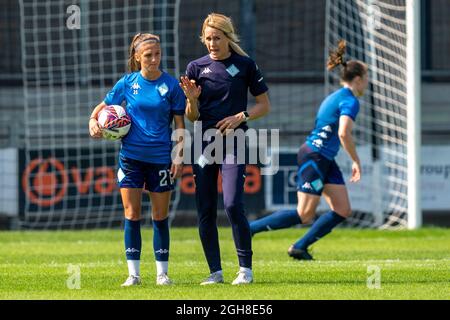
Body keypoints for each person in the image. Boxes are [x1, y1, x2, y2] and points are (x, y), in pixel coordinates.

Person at [250, 40, 368, 260]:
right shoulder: (350, 101)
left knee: (342, 209)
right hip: (316, 156)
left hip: (323, 157)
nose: (367, 85)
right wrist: (356, 161)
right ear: (358, 79)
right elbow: (343, 133)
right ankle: (250, 229)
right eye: (366, 79)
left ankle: (300, 247)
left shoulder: (333, 97)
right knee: (304, 214)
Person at [180, 13, 270, 285]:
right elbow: (192, 117)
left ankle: (246, 270)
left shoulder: (245, 65)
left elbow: (264, 105)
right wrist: (192, 101)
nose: (212, 43)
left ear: (228, 38)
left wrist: (240, 117)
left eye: (217, 38)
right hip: (205, 144)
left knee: (232, 203)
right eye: (207, 38)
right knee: (205, 209)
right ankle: (215, 272)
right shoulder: (196, 67)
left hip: (235, 143)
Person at [89, 33, 186, 286]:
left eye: (157, 54)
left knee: (159, 216)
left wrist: (179, 155)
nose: (154, 59)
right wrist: (92, 122)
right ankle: (133, 275)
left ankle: (162, 274)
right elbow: (101, 107)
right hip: (130, 158)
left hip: (160, 159)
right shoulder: (127, 83)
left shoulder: (171, 85)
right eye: (148, 55)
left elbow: (179, 124)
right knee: (131, 214)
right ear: (137, 57)